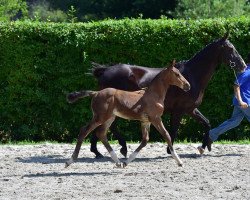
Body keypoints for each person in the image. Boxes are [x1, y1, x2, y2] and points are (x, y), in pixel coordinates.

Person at [197, 54, 250, 154]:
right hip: (245, 103)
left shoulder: (246, 70)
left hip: (242, 103)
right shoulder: (248, 71)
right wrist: (241, 101)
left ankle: (210, 136)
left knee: (234, 122)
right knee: (234, 122)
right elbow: (236, 85)